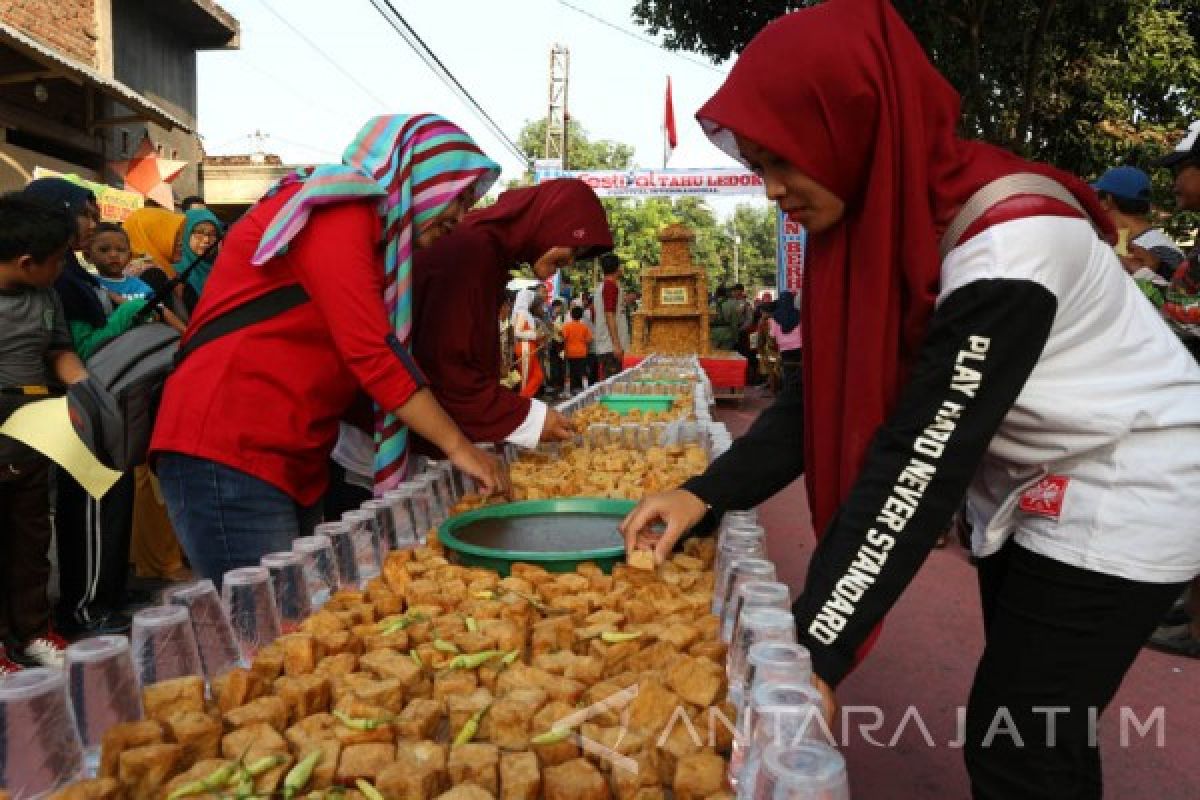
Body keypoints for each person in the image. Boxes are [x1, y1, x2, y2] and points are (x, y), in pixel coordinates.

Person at [620, 2, 1200, 797]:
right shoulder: (879, 227)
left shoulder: (1012, 242)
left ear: (851, 128)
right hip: (1037, 483)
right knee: (1045, 726)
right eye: (758, 166)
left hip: (1126, 478)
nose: (771, 192)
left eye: (782, 161)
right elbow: (817, 397)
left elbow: (921, 457)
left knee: (1021, 745)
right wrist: (700, 494)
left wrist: (815, 651)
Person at [149, 114, 509, 585]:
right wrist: (457, 446)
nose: (460, 216)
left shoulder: (373, 234)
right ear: (420, 177)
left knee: (300, 618)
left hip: (288, 452)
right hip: (229, 447)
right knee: (275, 635)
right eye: (457, 196)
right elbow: (372, 352)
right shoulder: (340, 211)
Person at [21, 178, 145, 638]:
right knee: (89, 505)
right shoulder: (55, 278)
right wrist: (127, 314)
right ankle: (86, 607)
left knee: (103, 505)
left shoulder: (69, 274)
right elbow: (75, 345)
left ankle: (105, 592)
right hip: (69, 410)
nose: (91, 223)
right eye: (85, 213)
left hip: (92, 401)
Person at [412, 178, 613, 447]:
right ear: (551, 222)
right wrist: (530, 419)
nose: (571, 261)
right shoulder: (474, 249)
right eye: (574, 248)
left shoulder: (492, 254)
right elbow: (447, 368)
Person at [0, 194, 87, 670]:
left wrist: (88, 391)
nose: (63, 269)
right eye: (58, 261)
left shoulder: (46, 296)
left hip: (33, 425)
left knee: (31, 538)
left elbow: (60, 352)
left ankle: (34, 632)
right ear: (28, 262)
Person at [1092, 165, 1184, 281]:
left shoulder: (1161, 252)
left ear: (1107, 201)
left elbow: (1177, 296)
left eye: (1096, 197)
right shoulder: (1159, 246)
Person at [175, 207, 224, 311]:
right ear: (185, 234)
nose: (206, 240)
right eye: (199, 233)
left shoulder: (221, 269)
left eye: (212, 234)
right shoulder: (176, 273)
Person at [593, 253, 629, 378]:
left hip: (608, 345)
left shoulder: (604, 287)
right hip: (610, 347)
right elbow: (609, 314)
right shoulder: (610, 286)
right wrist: (616, 344)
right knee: (612, 388)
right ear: (617, 268)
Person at [511, 288, 544, 400]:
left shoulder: (523, 312)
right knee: (526, 379)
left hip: (529, 347)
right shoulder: (522, 313)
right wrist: (535, 335)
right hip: (525, 347)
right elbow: (517, 332)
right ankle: (521, 402)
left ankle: (523, 400)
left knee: (537, 376)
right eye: (530, 298)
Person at [768, 289, 803, 394]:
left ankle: (788, 392)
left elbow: (772, 334)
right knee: (798, 370)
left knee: (787, 371)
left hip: (784, 348)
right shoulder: (799, 315)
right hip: (798, 347)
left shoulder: (775, 317)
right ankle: (797, 392)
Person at [562, 305, 592, 394]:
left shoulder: (567, 326)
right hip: (582, 353)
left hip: (570, 353)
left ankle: (567, 391)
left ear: (571, 315)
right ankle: (586, 389)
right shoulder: (584, 327)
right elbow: (589, 339)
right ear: (581, 315)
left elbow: (563, 338)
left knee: (569, 372)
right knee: (583, 371)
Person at [709, 286, 736, 350]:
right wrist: (735, 336)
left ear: (717, 293)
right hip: (727, 333)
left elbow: (709, 319)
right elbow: (734, 322)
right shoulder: (731, 304)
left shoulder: (712, 304)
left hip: (714, 333)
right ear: (726, 293)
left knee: (713, 355)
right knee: (726, 356)